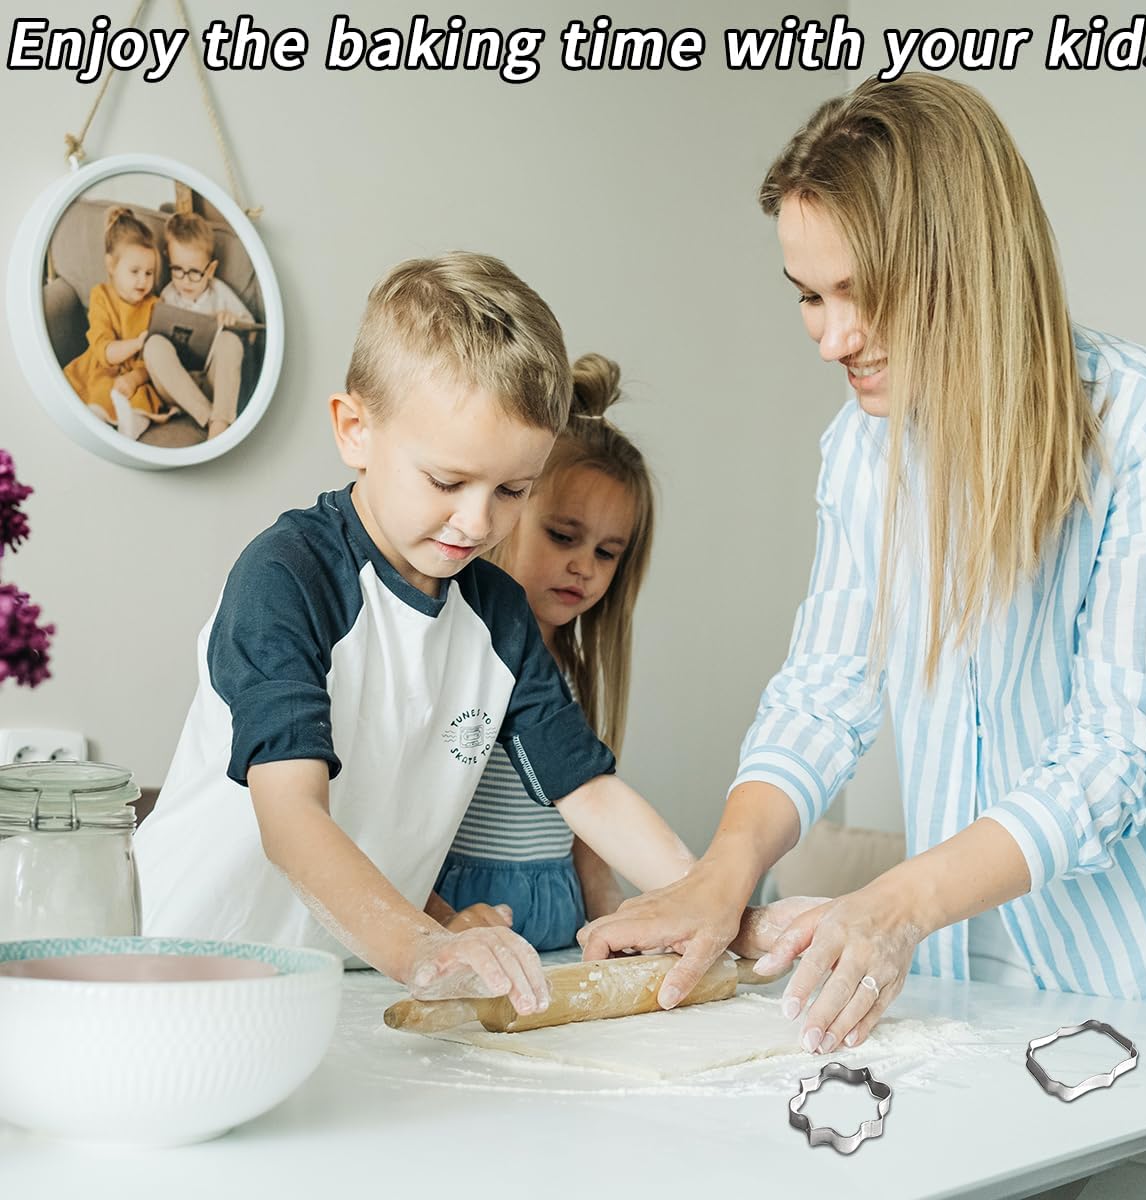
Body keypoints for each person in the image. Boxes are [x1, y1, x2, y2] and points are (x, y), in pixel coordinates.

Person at [580, 74, 1146, 1059]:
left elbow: (1111, 756)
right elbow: (823, 695)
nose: (833, 338)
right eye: (809, 296)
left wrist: (897, 905)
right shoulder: (862, 450)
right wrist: (721, 873)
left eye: (862, 293)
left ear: (968, 266)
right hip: (963, 998)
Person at [135, 253, 695, 1015]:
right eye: (447, 481)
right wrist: (424, 948)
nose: (478, 520)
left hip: (353, 977)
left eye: (513, 490)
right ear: (355, 429)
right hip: (194, 967)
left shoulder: (497, 614)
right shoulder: (288, 577)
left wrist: (711, 905)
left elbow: (588, 792)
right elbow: (292, 816)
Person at [427, 353, 653, 949]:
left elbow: (585, 817)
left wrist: (611, 909)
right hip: (466, 915)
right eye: (563, 536)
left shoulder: (574, 673)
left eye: (606, 553)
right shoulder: (463, 659)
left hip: (560, 922)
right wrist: (438, 921)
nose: (584, 566)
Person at [63, 206, 175, 441]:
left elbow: (154, 362)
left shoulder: (155, 305)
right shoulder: (101, 296)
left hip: (139, 374)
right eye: (135, 271)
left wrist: (135, 378)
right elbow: (104, 351)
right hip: (103, 366)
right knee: (102, 388)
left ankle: (131, 423)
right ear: (111, 266)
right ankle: (97, 419)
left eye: (149, 273)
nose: (143, 281)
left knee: (143, 397)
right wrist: (136, 344)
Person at [142, 211, 254, 442]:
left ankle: (220, 422)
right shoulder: (167, 294)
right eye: (177, 270)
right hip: (177, 388)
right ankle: (208, 416)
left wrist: (232, 320)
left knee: (230, 341)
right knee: (153, 345)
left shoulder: (219, 292)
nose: (185, 280)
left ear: (210, 270)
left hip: (213, 383)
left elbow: (253, 332)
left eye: (194, 272)